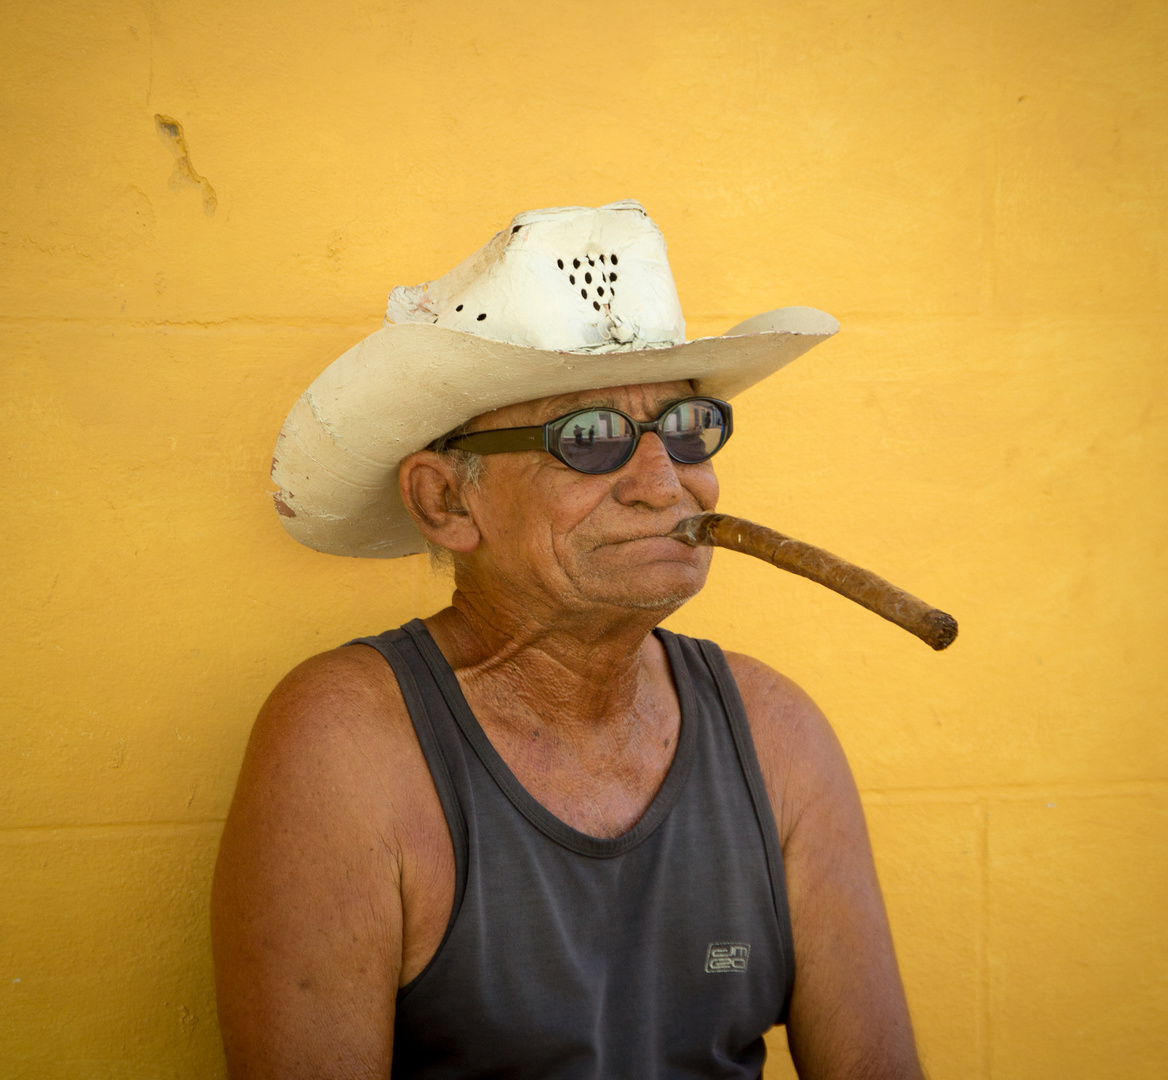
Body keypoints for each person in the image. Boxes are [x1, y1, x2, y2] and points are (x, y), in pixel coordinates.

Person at [212, 202, 923, 1079]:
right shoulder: (348, 744)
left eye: (688, 426)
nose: (663, 484)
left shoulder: (778, 736)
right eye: (590, 438)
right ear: (447, 501)